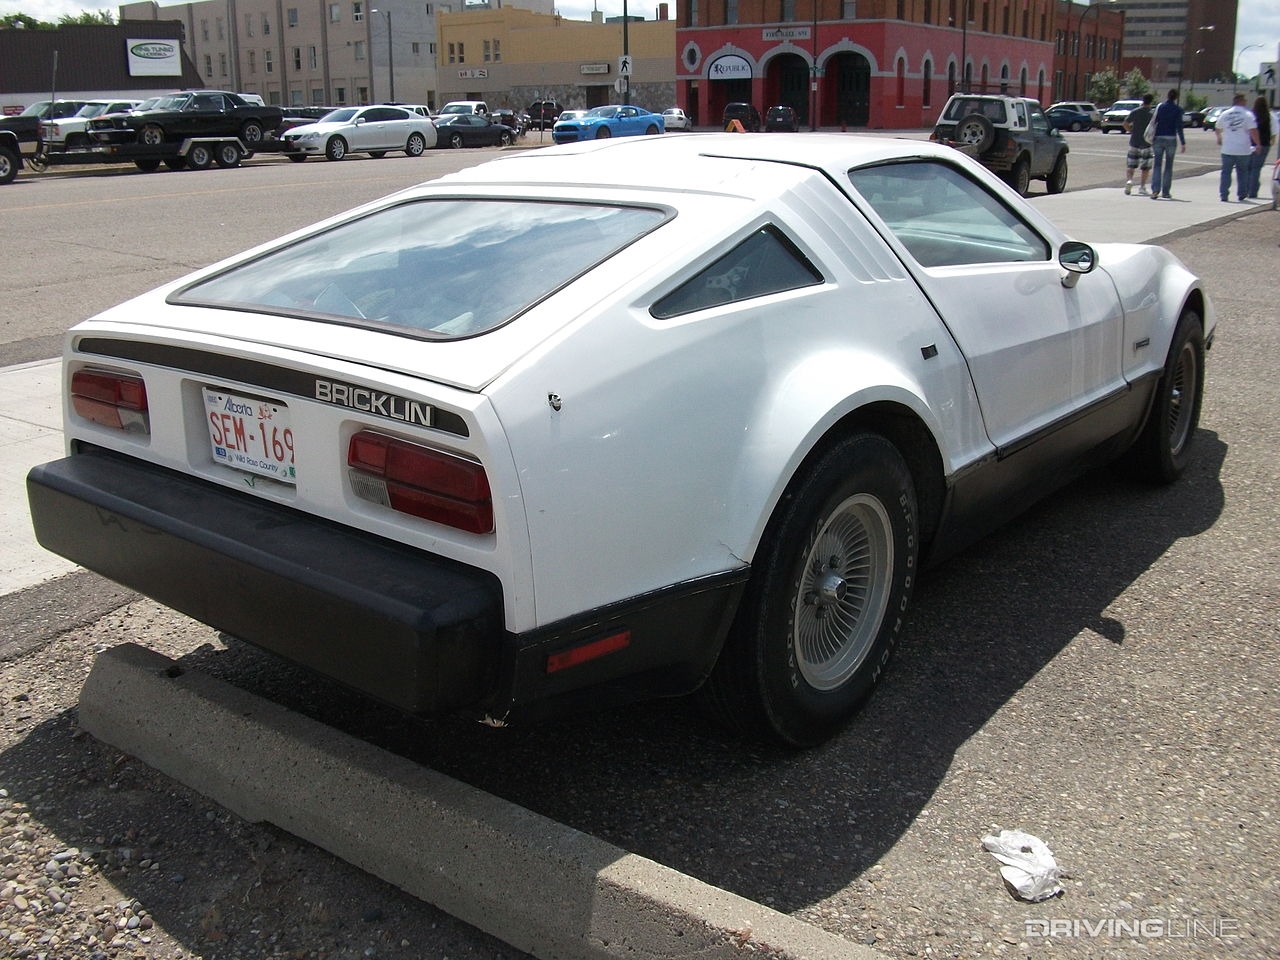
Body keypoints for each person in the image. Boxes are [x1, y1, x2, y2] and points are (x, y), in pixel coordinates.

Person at [1215, 92, 1260, 202]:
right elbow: (1253, 130)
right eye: (1244, 100)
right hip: (1243, 149)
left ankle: (1224, 194)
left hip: (1227, 148)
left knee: (1226, 172)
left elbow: (1217, 127)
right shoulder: (1248, 115)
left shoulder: (1225, 114)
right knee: (1242, 172)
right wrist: (1258, 144)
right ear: (1241, 101)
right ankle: (1242, 194)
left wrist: (1219, 138)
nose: (1246, 102)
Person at [1148, 89, 1185, 200]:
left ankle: (1155, 190)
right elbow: (1179, 127)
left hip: (1158, 137)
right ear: (1176, 98)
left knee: (1157, 165)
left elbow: (1154, 121)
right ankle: (1166, 192)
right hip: (1171, 138)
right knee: (1169, 166)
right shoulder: (1178, 110)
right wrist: (1183, 142)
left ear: (1167, 96)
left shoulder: (1160, 107)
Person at [1122, 93, 1154, 195]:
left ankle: (1129, 180)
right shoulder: (1152, 114)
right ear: (1151, 102)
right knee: (1145, 167)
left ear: (1142, 100)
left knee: (1131, 165)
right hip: (1147, 142)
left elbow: (1125, 123)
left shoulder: (1135, 112)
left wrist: (1131, 130)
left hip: (1134, 141)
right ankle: (1142, 186)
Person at [1246, 96, 1273, 199]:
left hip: (1251, 143)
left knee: (1249, 168)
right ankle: (1253, 191)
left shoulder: (1251, 115)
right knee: (1256, 168)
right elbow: (1273, 130)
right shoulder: (1268, 115)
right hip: (1265, 143)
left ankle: (1248, 189)